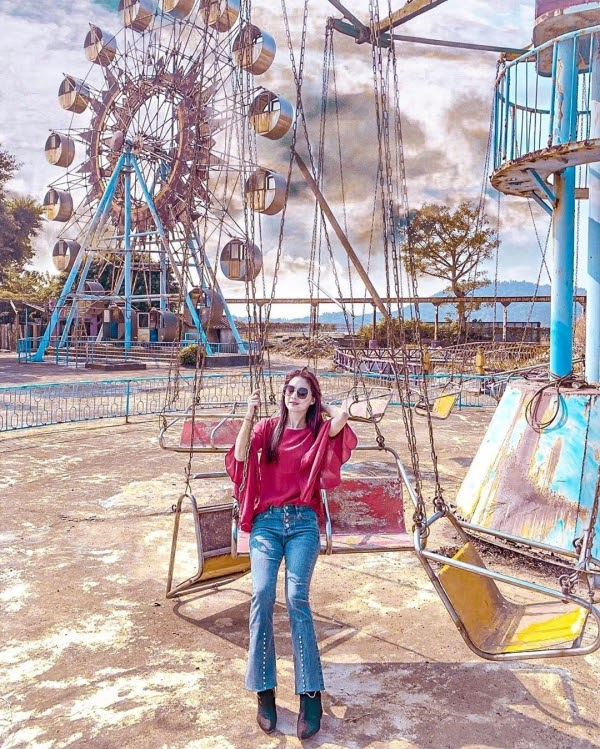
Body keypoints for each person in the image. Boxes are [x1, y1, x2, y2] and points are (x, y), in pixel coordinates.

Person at [225, 368, 357, 739]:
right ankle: (264, 689)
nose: (293, 396)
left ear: (312, 399)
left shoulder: (318, 432)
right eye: (289, 390)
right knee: (262, 594)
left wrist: (321, 406)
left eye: (302, 392)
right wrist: (249, 413)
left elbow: (341, 418)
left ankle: (310, 694)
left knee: (297, 596)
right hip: (266, 524)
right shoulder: (267, 428)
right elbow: (239, 456)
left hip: (302, 524)